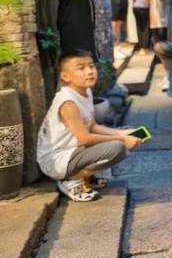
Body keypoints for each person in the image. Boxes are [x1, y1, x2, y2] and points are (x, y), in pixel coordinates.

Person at [36, 49, 142, 202]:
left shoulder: (85, 92)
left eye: (91, 66)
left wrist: (125, 134)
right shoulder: (68, 102)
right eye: (81, 68)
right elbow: (85, 138)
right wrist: (122, 139)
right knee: (118, 148)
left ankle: (85, 176)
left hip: (74, 151)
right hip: (57, 160)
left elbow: (93, 127)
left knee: (127, 131)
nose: (89, 71)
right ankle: (70, 179)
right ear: (66, 76)